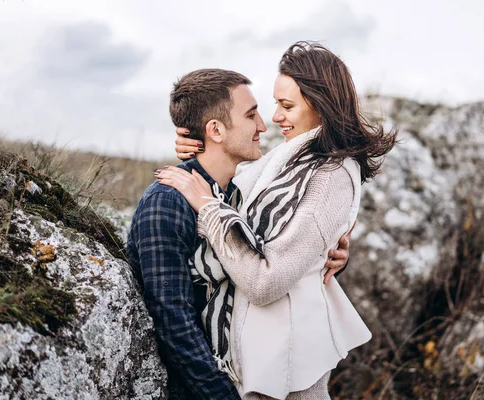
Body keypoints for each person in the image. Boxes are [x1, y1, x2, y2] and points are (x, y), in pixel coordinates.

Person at [156, 41, 397, 399]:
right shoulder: (291, 160)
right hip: (259, 354)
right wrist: (200, 143)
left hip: (286, 372)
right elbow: (252, 202)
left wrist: (209, 210)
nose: (275, 118)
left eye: (287, 106)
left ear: (322, 106)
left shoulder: (330, 174)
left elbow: (267, 282)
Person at [127, 68, 351, 400]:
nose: (264, 124)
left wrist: (329, 252)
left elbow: (273, 249)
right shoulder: (167, 203)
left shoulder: (242, 193)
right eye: (251, 115)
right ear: (215, 129)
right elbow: (174, 325)